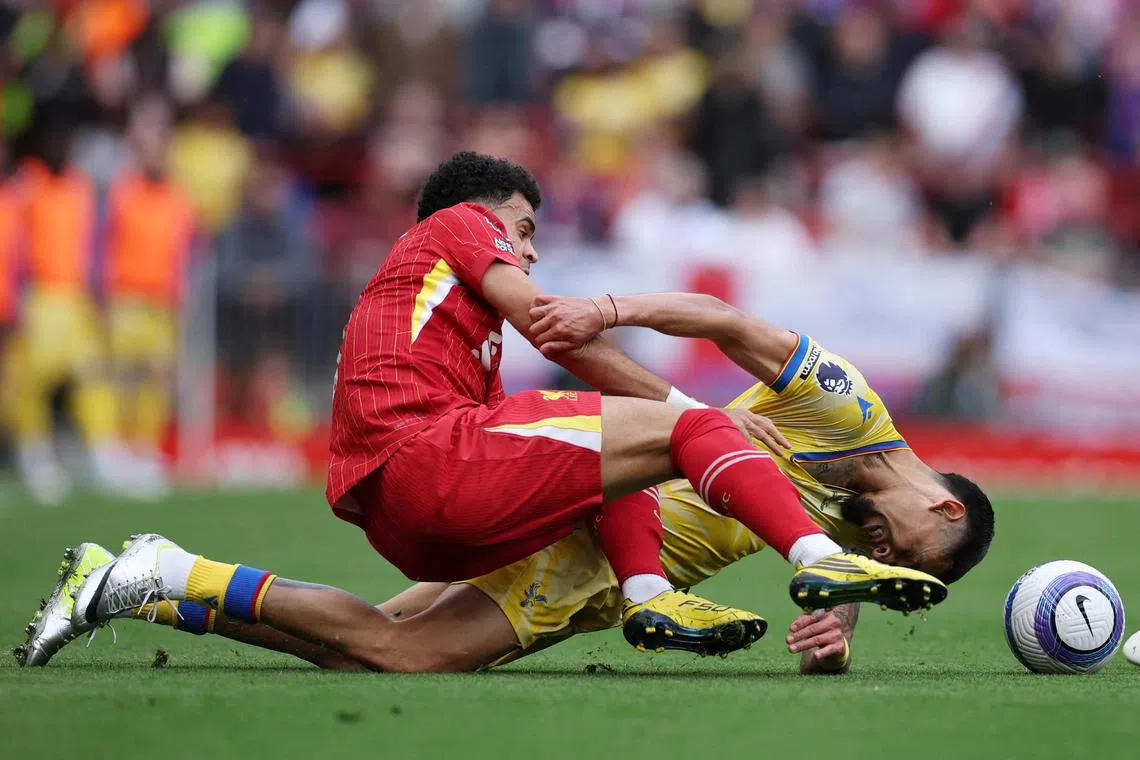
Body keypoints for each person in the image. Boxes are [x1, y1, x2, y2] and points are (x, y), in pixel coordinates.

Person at [16, 153, 943, 667]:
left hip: (406, 499)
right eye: (526, 231)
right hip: (427, 461)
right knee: (693, 424)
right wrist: (693, 410)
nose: (529, 255)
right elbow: (559, 328)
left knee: (384, 653)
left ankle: (153, 578)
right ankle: (790, 567)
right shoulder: (457, 224)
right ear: (484, 215)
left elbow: (573, 409)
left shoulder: (460, 342)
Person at [15, 292, 992, 672]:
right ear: (941, 503)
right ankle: (158, 570)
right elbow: (726, 324)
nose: (883, 554)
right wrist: (610, 310)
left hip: (592, 531)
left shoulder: (850, 510)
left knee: (357, 643)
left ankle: (145, 578)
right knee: (401, 655)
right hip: (592, 547)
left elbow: (698, 433)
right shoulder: (850, 409)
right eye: (904, 550)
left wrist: (840, 625)